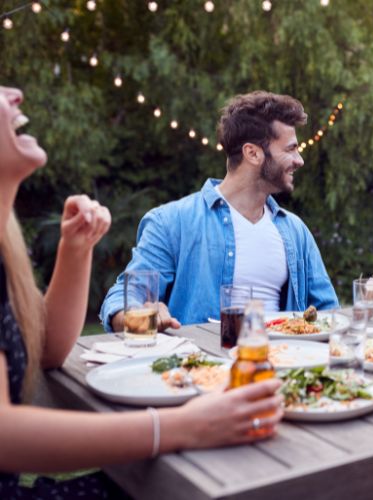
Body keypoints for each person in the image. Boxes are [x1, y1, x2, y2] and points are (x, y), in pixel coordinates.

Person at [0, 86, 284, 498]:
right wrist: (179, 426)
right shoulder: (175, 220)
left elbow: (45, 352)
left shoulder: (7, 246)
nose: (15, 93)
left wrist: (75, 252)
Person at [100, 91, 338, 332]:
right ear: (252, 153)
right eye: (290, 149)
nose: (299, 160)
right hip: (202, 366)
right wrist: (141, 318)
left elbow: (329, 312)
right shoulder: (172, 223)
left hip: (280, 362)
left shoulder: (295, 231)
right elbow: (123, 298)